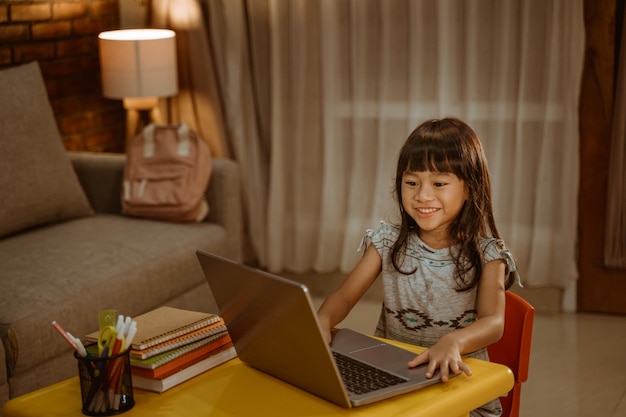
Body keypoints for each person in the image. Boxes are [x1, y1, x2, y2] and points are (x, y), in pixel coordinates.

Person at [317, 117, 520, 417]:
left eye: (439, 183)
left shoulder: (489, 254)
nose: (422, 195)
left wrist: (453, 341)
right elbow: (345, 297)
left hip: (461, 394)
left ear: (469, 189)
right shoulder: (386, 241)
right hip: (393, 384)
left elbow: (494, 323)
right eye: (412, 182)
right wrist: (322, 319)